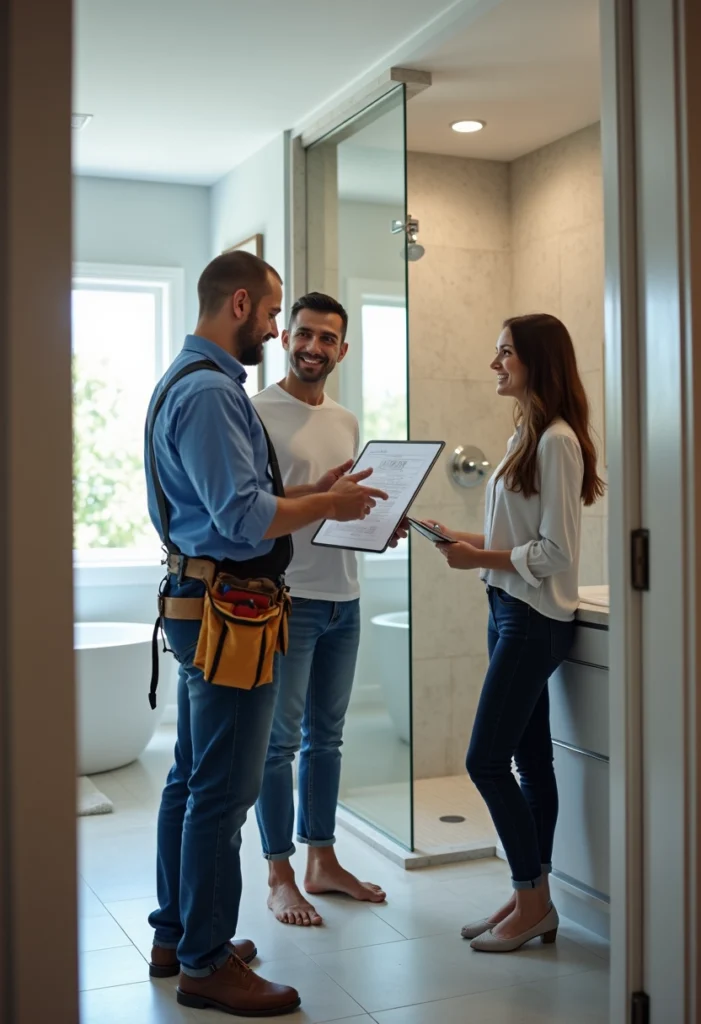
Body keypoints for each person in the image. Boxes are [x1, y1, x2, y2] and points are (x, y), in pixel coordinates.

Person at [144, 253, 388, 1017]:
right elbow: (243, 519)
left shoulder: (181, 379)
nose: (280, 330)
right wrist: (326, 508)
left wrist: (311, 494)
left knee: (190, 777)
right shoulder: (217, 392)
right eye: (276, 314)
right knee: (222, 791)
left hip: (201, 601)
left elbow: (243, 499)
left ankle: (177, 933)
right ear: (241, 303)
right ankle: (206, 963)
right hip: (231, 611)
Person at [427, 313, 604, 953]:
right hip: (507, 611)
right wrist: (453, 535)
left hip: (532, 620)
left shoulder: (557, 440)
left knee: (484, 760)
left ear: (537, 360)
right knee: (530, 762)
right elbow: (511, 542)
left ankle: (533, 900)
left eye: (505, 352)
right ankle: (531, 896)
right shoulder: (525, 435)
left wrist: (480, 560)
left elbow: (555, 551)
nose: (495, 363)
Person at [252, 292, 403, 926]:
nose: (314, 347)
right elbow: (251, 506)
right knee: (279, 744)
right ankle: (280, 873)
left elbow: (342, 505)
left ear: (344, 349)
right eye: (305, 335)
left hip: (345, 595)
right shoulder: (256, 411)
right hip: (289, 598)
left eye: (327, 339)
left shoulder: (344, 419)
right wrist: (319, 498)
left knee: (327, 741)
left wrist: (379, 524)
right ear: (286, 337)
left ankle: (323, 860)